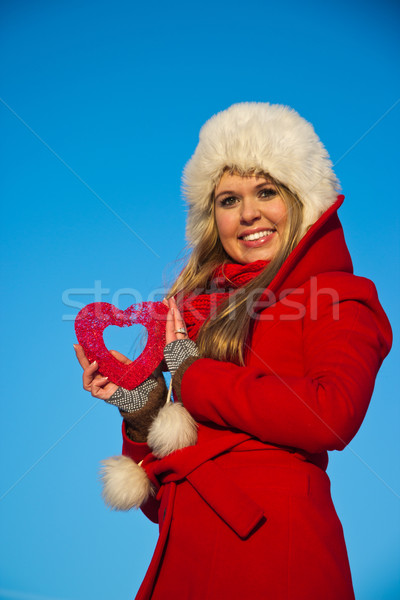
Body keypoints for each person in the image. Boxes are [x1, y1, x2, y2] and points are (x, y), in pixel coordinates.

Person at [74, 102, 392, 600]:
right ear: (211, 217)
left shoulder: (336, 296)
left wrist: (193, 373)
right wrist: (140, 406)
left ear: (301, 201)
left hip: (276, 555)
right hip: (184, 559)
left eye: (266, 191)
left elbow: (332, 414)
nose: (247, 214)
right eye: (228, 200)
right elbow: (164, 501)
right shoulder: (193, 315)